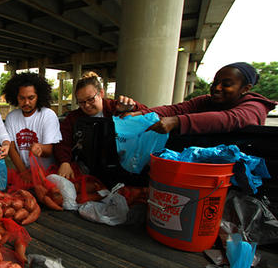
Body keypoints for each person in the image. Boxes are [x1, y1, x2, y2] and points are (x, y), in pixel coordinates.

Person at [124, 62, 278, 134]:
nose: (217, 88)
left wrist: (176, 121)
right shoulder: (207, 100)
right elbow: (176, 109)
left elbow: (228, 119)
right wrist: (139, 114)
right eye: (215, 83)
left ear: (245, 89)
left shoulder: (255, 107)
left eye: (226, 84)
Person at [54, 72, 145, 180]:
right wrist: (65, 162)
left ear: (101, 93)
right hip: (87, 170)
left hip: (123, 168)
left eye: (90, 99)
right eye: (81, 102)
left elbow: (149, 115)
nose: (87, 105)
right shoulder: (73, 118)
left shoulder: (116, 107)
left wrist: (133, 108)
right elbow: (62, 142)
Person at [3, 72, 62, 173]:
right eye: (22, 98)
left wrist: (40, 148)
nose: (26, 103)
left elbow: (49, 150)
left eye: (31, 98)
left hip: (47, 173)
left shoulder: (48, 115)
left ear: (38, 96)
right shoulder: (11, 117)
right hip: (24, 172)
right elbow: (12, 149)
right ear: (15, 97)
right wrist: (23, 173)